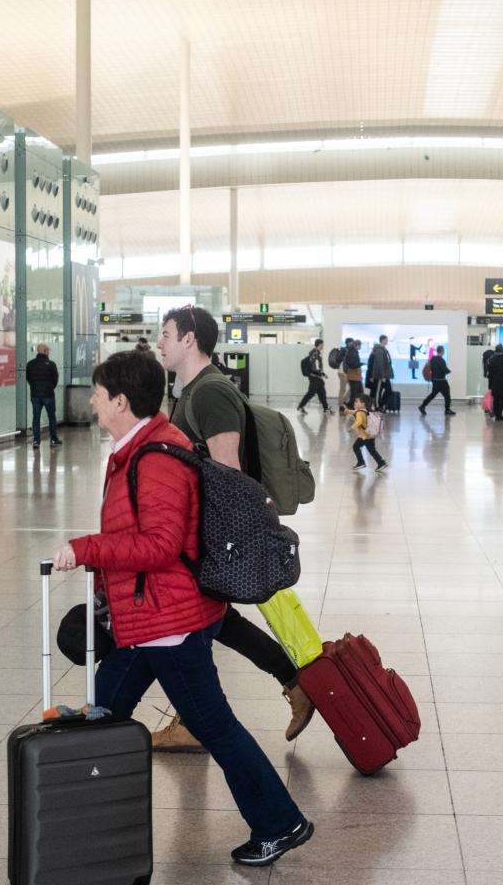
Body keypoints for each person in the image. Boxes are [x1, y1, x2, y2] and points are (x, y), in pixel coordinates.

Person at [49, 350, 312, 867]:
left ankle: (280, 823)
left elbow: (162, 545)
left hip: (169, 623)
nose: (93, 404)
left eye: (99, 396)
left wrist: (87, 550)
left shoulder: (155, 459)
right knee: (104, 712)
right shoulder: (138, 448)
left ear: (122, 402)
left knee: (216, 728)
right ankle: (76, 831)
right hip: (147, 620)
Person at [156, 306, 315, 749]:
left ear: (190, 339)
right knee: (212, 623)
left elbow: (228, 472)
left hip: (212, 534)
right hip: (196, 530)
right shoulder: (188, 391)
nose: (160, 341)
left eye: (166, 334)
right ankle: (290, 683)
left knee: (200, 624)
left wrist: (219, 547)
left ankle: (197, 721)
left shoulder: (211, 393)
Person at [25, 343, 62, 448]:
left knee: (36, 418)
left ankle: (36, 441)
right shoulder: (51, 364)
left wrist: (35, 387)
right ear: (45, 351)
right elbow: (55, 379)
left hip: (35, 395)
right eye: (48, 350)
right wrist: (50, 388)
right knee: (51, 417)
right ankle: (53, 440)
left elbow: (28, 378)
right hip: (48, 395)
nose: (49, 352)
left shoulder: (30, 364)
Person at [349, 394, 387, 470]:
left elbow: (359, 422)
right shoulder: (367, 410)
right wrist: (348, 411)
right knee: (372, 450)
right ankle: (381, 463)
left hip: (364, 436)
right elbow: (355, 411)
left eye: (357, 401)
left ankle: (361, 462)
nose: (355, 403)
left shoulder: (359, 413)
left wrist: (351, 428)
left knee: (355, 447)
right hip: (371, 435)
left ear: (362, 404)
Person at [297, 340, 331, 415]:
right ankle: (300, 406)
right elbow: (314, 367)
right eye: (322, 344)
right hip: (314, 378)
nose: (323, 346)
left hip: (317, 377)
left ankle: (326, 408)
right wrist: (319, 373)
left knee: (322, 393)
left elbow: (316, 366)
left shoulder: (316, 353)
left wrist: (323, 374)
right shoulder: (315, 354)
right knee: (311, 393)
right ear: (319, 344)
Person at [419, 345, 454, 415]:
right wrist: (449, 371)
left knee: (432, 395)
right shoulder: (441, 360)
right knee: (447, 395)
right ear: (442, 351)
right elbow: (444, 370)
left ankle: (422, 406)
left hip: (435, 380)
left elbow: (431, 369)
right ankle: (447, 410)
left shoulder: (433, 359)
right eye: (443, 351)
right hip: (442, 381)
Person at [486, 344, 503, 421]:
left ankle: (496, 414)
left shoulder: (492, 361)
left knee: (496, 398)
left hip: (494, 383)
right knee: (502, 398)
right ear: (502, 351)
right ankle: (499, 415)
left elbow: (489, 372)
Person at [366, 335, 392, 407]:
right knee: (378, 391)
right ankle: (377, 407)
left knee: (388, 390)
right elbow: (380, 364)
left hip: (385, 375)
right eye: (386, 340)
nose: (387, 341)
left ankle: (380, 405)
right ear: (383, 340)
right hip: (381, 375)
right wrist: (382, 376)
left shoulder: (384, 349)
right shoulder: (379, 350)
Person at [341, 338, 364, 411]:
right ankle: (350, 405)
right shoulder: (352, 353)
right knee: (355, 392)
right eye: (360, 346)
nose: (360, 347)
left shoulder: (354, 352)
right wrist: (360, 364)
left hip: (355, 375)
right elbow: (351, 365)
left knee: (359, 391)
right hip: (353, 375)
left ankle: (352, 404)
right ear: (357, 345)